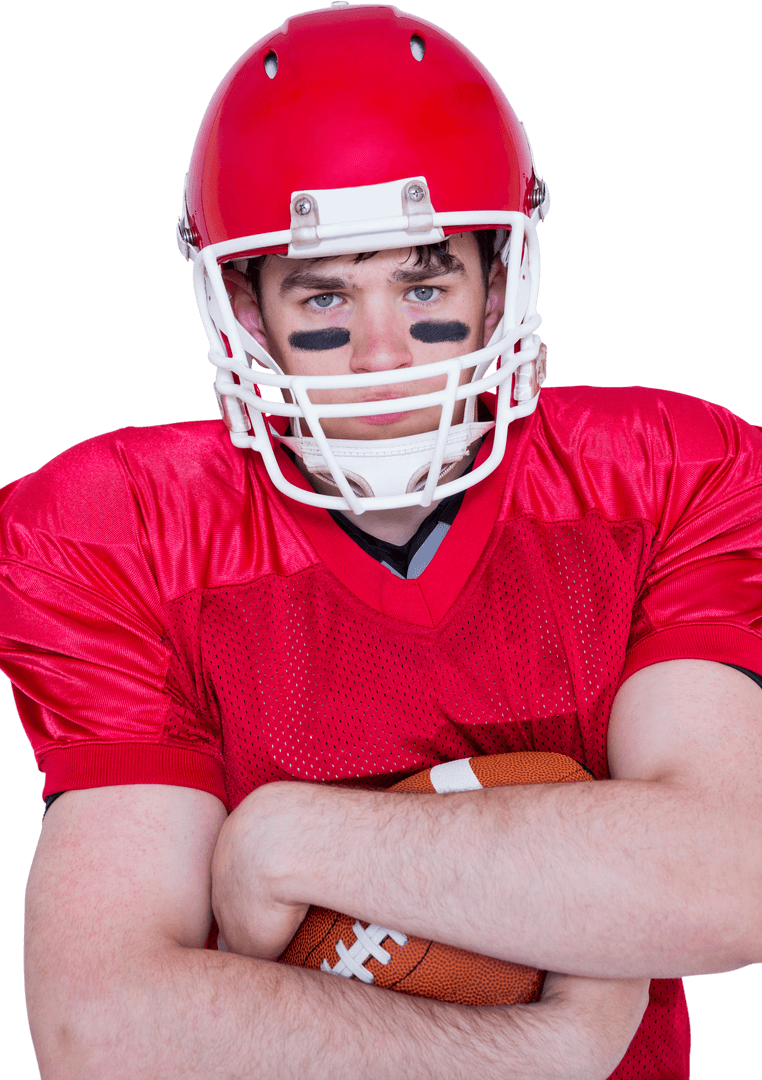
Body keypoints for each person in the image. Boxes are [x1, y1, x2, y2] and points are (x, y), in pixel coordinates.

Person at [2, 3, 760, 1078]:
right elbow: (103, 1029)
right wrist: (536, 1053)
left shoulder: (664, 477)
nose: (379, 355)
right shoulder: (123, 533)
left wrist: (288, 843)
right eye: (325, 297)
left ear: (498, 282)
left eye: (423, 283)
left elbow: (736, 878)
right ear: (247, 312)